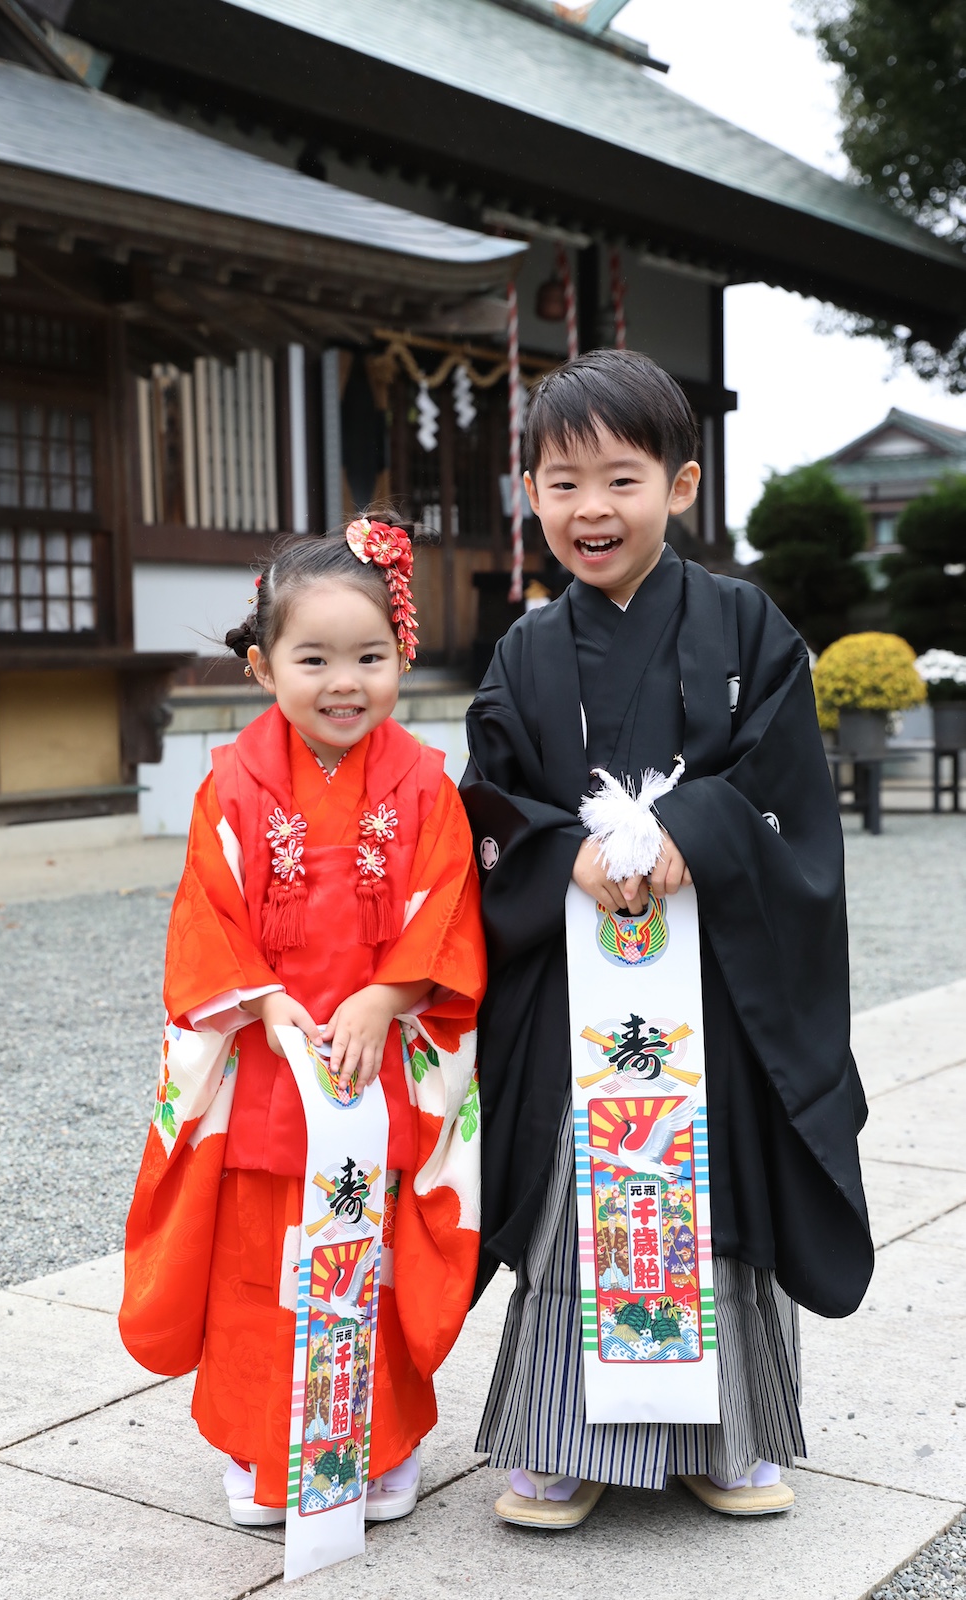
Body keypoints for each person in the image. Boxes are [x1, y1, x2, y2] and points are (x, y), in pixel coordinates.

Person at [461, 349, 873, 1529]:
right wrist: (565, 854)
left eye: (620, 479)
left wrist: (699, 828)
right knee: (584, 1192)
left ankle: (725, 1432)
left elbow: (788, 786)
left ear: (681, 486)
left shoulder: (749, 626)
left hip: (713, 977)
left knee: (709, 1186)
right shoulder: (520, 655)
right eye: (560, 483)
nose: (590, 510)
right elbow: (486, 804)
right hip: (580, 979)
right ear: (531, 496)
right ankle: (557, 1435)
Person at [120, 521, 485, 1528]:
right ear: (259, 663)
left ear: (399, 658)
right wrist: (266, 999)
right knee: (256, 1268)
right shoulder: (232, 783)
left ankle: (375, 1449)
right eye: (312, 657)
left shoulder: (421, 782)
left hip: (378, 1068)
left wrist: (383, 995)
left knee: (365, 1260)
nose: (343, 682)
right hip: (268, 1075)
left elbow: (446, 907)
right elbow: (207, 915)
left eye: (369, 658)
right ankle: (257, 1445)